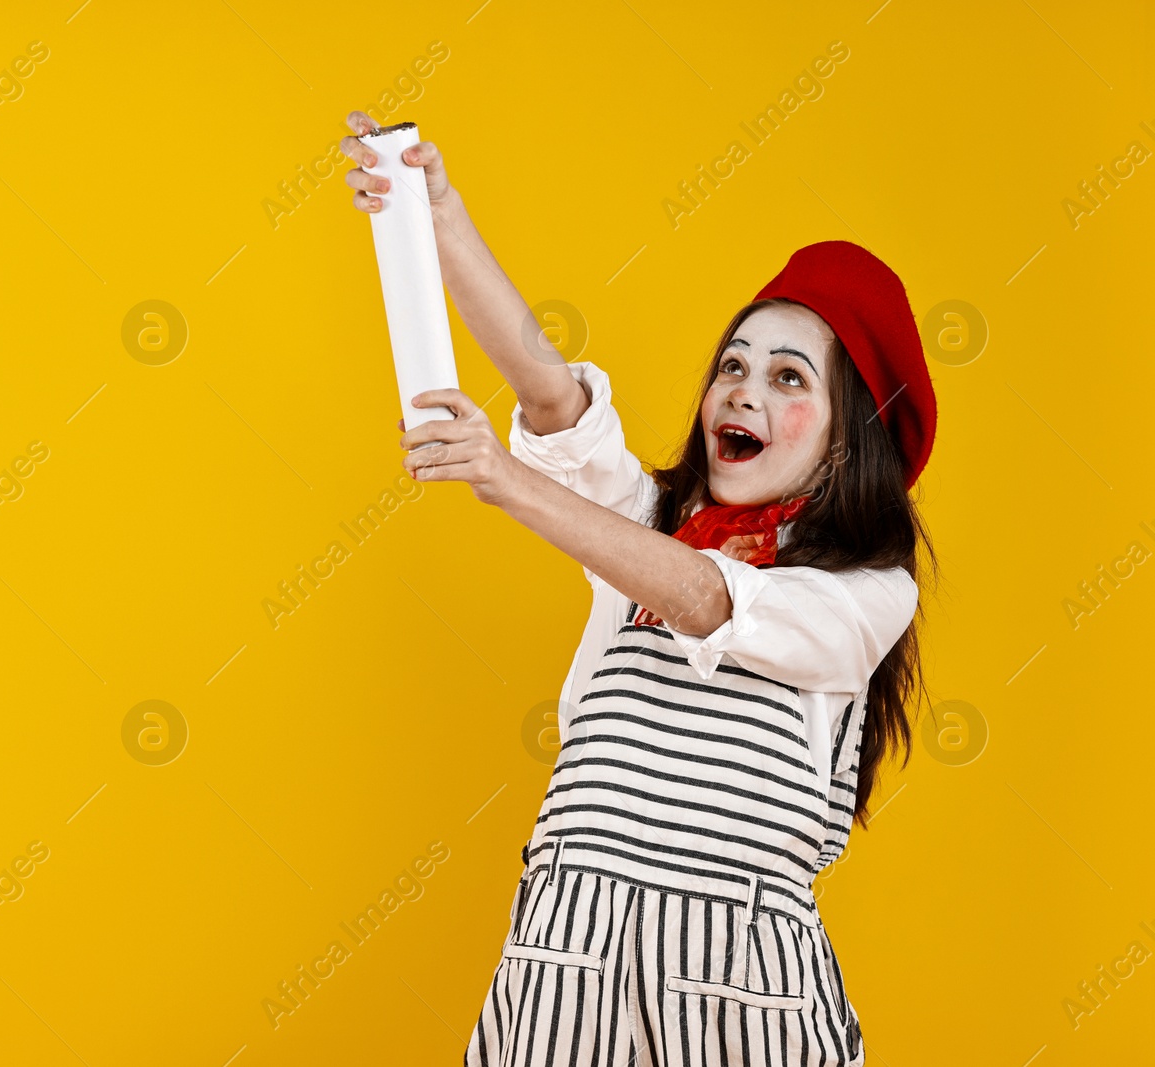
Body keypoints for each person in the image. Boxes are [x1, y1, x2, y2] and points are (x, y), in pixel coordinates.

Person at [341, 111, 940, 1066]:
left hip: (740, 985)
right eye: (733, 366)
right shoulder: (646, 527)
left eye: (790, 378)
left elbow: (712, 600)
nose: (744, 390)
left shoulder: (867, 593)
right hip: (564, 961)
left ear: (847, 441)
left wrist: (503, 477)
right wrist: (437, 218)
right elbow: (552, 399)